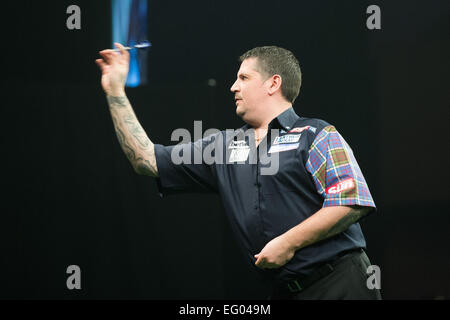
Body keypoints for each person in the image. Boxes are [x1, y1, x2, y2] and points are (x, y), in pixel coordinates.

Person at [96, 43, 382, 300]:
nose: (233, 86)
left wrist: (288, 242)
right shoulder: (223, 146)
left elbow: (351, 201)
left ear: (273, 84)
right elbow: (146, 160)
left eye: (243, 78)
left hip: (341, 283)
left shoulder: (315, 133)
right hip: (284, 291)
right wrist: (115, 91)